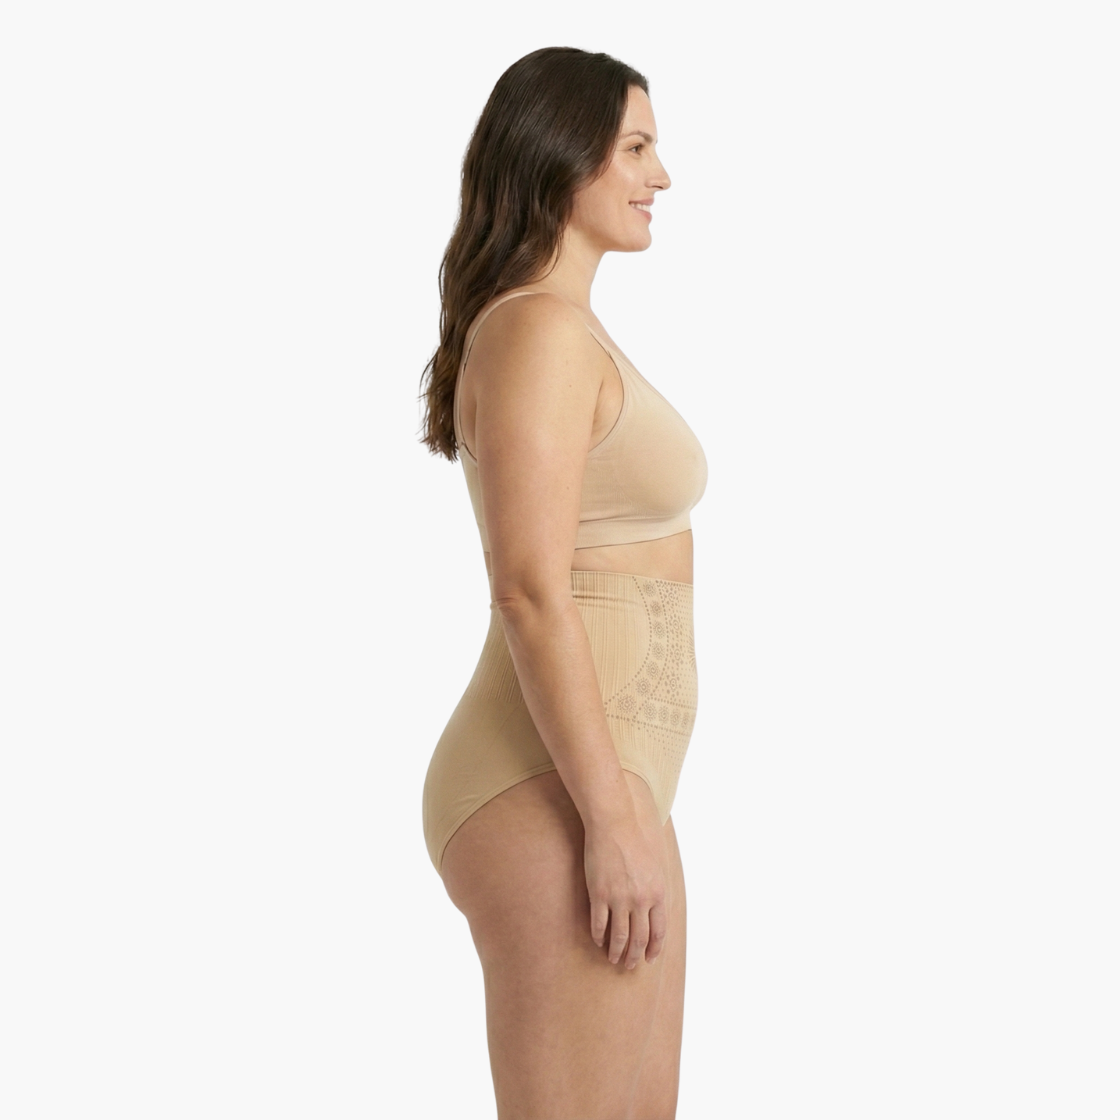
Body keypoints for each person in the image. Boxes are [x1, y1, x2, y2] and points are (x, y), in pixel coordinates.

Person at [418, 46, 707, 1120]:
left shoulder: (562, 327)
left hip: (611, 789)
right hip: (555, 790)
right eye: (635, 147)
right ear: (562, 154)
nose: (659, 175)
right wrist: (609, 819)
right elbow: (531, 591)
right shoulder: (535, 330)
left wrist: (628, 812)